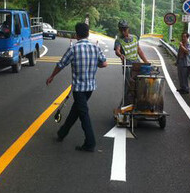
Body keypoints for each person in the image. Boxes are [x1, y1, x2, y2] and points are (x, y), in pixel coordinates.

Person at [46, 23, 107, 152]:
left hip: (79, 88)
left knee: (83, 114)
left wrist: (52, 76)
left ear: (76, 35)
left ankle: (90, 143)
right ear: (88, 33)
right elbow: (104, 63)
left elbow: (61, 64)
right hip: (90, 87)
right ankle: (62, 133)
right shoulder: (96, 47)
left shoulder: (74, 49)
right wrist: (95, 65)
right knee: (76, 111)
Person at [114, 20, 148, 105]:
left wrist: (146, 62)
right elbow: (117, 50)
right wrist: (120, 55)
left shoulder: (135, 38)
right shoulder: (119, 40)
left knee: (141, 84)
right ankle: (125, 105)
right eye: (121, 30)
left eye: (124, 29)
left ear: (128, 29)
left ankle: (140, 104)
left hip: (137, 64)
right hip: (128, 65)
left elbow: (139, 51)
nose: (123, 32)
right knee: (129, 86)